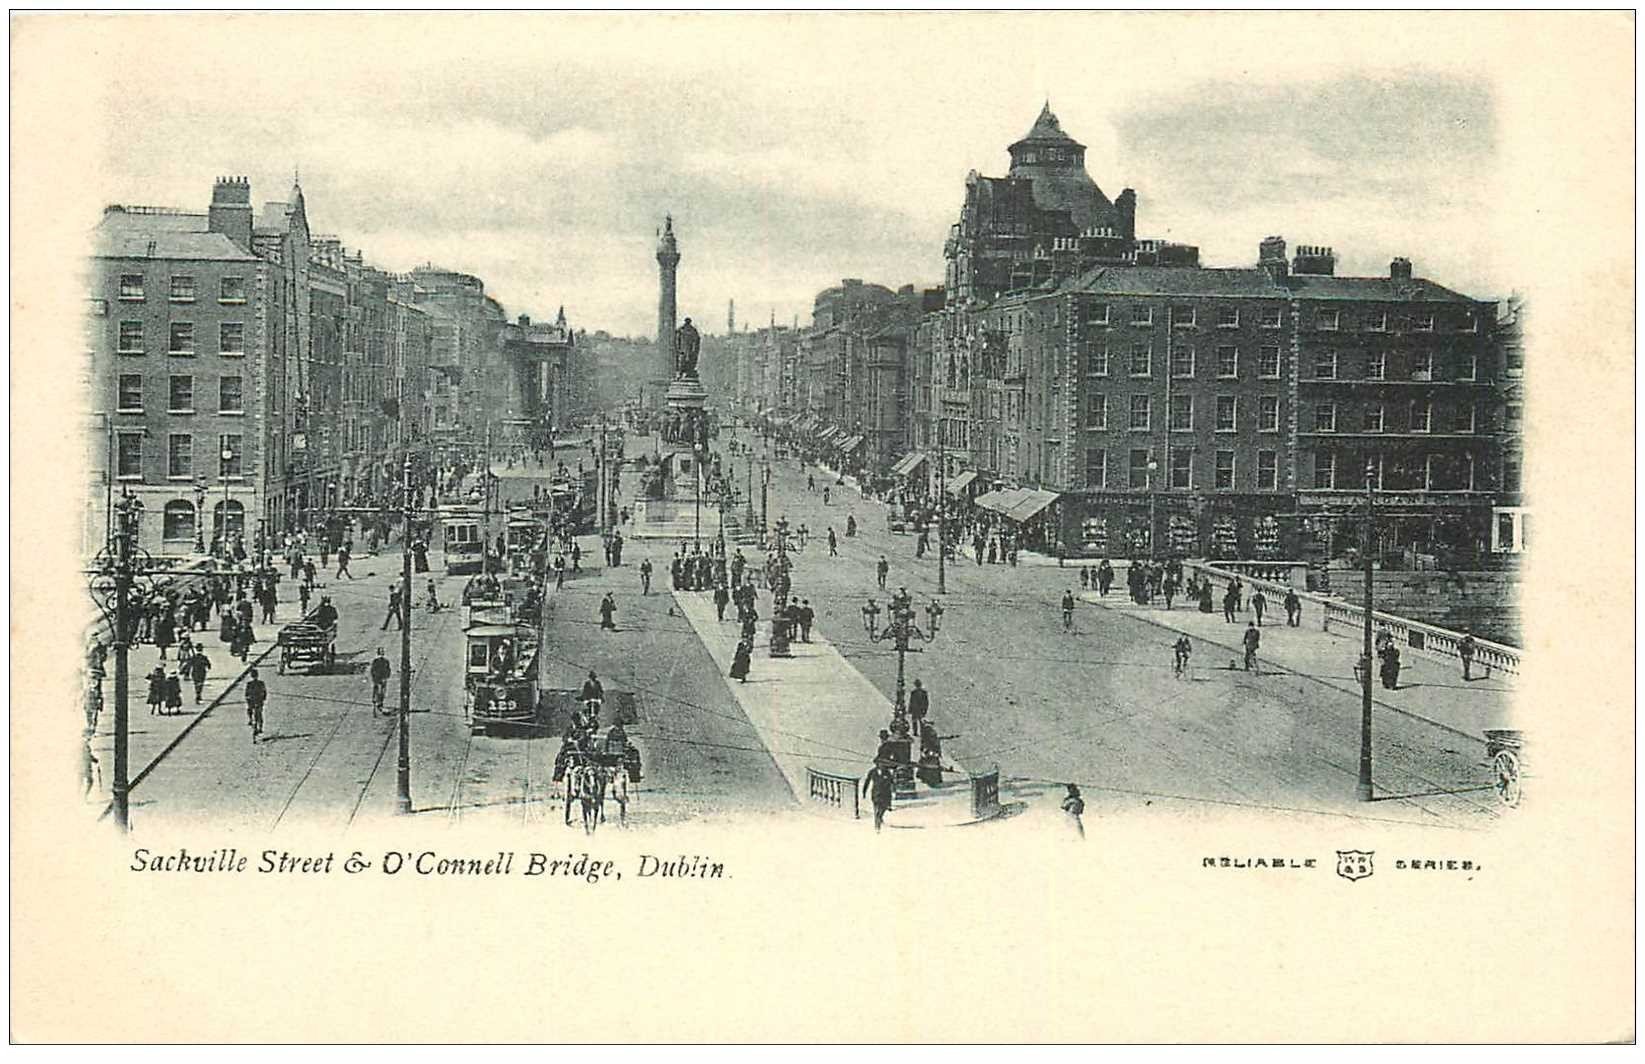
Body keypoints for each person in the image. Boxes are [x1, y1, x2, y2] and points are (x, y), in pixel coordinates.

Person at [862, 759, 896, 833]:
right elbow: (867, 782)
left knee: (883, 809)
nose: (882, 766)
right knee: (876, 810)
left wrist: (893, 790)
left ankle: (880, 818)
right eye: (880, 764)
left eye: (883, 764)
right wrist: (864, 792)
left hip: (885, 794)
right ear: (877, 764)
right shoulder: (872, 772)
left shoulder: (887, 772)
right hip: (876, 794)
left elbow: (892, 782)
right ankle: (877, 826)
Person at [245, 668, 267, 739]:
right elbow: (264, 693)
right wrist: (263, 699)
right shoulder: (261, 683)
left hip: (253, 701)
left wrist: (248, 699)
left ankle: (251, 720)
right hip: (258, 701)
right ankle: (259, 727)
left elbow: (246, 694)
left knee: (251, 711)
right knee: (259, 714)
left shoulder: (249, 684)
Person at [369, 649, 392, 713]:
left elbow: (388, 669)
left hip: (383, 679)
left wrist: (386, 677)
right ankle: (378, 703)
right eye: (381, 652)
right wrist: (375, 679)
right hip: (378, 679)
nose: (382, 653)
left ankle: (379, 702)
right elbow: (373, 671)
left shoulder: (386, 661)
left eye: (383, 652)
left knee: (382, 691)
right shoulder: (376, 661)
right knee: (379, 691)